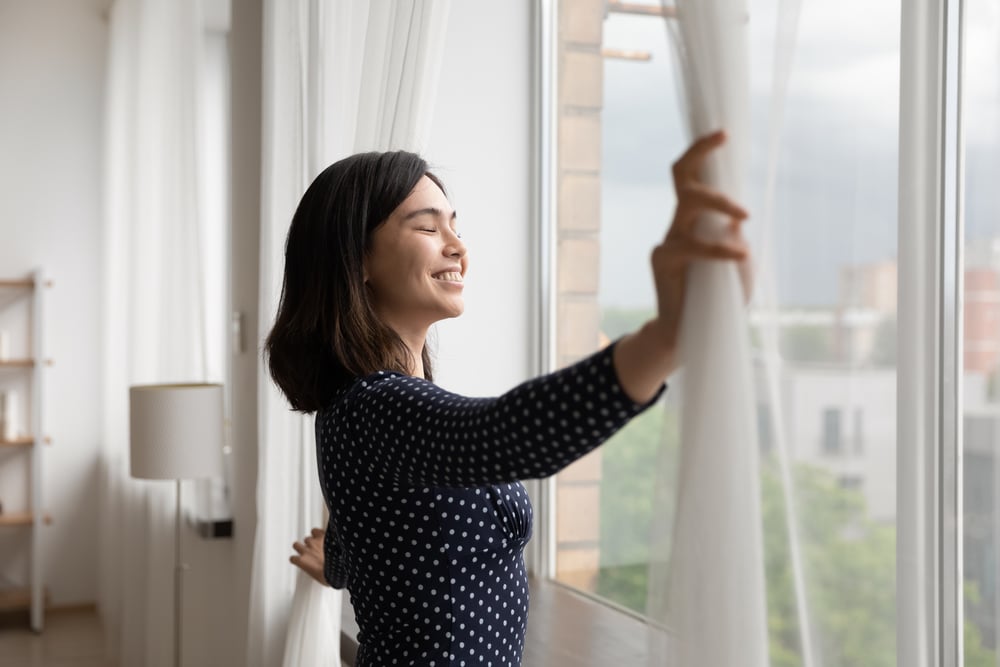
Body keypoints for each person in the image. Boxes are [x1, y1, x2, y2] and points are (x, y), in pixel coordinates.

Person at [267, 130, 749, 665]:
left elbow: (378, 536)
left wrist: (332, 564)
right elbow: (499, 434)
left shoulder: (365, 408)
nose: (457, 245)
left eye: (455, 224)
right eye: (428, 226)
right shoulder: (373, 408)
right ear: (356, 260)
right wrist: (666, 337)